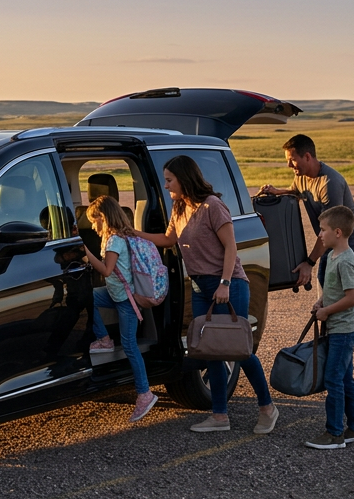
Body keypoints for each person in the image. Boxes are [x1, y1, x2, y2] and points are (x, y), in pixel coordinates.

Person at [136, 156, 278, 434]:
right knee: (212, 350)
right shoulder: (179, 208)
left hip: (229, 285)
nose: (165, 186)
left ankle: (267, 408)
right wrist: (132, 233)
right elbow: (168, 240)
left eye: (169, 180)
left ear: (184, 178)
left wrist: (225, 283)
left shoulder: (213, 206)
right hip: (200, 287)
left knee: (239, 349)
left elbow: (231, 247)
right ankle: (219, 416)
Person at [259, 133, 354, 387]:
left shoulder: (330, 182)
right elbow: (299, 191)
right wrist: (280, 191)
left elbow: (330, 232)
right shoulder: (301, 177)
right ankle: (337, 365)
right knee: (329, 305)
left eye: (292, 160)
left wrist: (309, 263)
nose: (290, 166)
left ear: (307, 156)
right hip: (331, 248)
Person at [81, 195, 158, 423]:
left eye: (94, 221)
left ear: (103, 218)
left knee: (129, 345)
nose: (92, 226)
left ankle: (145, 393)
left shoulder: (114, 240)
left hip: (126, 301)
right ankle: (104, 338)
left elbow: (106, 270)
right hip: (115, 295)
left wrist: (86, 253)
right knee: (89, 298)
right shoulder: (111, 238)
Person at [304, 206, 354, 449]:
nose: (320, 234)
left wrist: (327, 311)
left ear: (338, 232)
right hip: (337, 326)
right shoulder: (331, 256)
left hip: (344, 329)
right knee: (345, 378)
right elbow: (336, 291)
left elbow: (353, 298)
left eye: (323, 230)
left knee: (333, 379)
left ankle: (335, 433)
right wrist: (322, 301)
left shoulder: (346, 261)